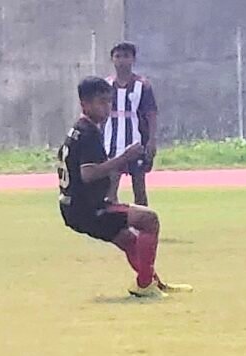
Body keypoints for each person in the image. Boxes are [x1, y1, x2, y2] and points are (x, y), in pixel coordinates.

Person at [57, 77, 191, 298]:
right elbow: (88, 174)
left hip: (74, 207)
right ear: (85, 104)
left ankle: (152, 283)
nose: (107, 108)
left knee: (129, 240)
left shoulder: (79, 130)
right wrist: (124, 158)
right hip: (87, 209)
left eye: (109, 102)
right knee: (149, 220)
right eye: (101, 102)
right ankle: (145, 284)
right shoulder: (88, 133)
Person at [103, 42, 159, 206]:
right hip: (111, 143)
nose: (121, 61)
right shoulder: (105, 86)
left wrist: (151, 140)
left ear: (133, 59)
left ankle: (143, 225)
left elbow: (151, 113)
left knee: (139, 188)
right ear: (112, 60)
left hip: (135, 142)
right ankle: (113, 225)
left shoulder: (142, 85)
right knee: (110, 187)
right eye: (118, 56)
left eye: (126, 56)